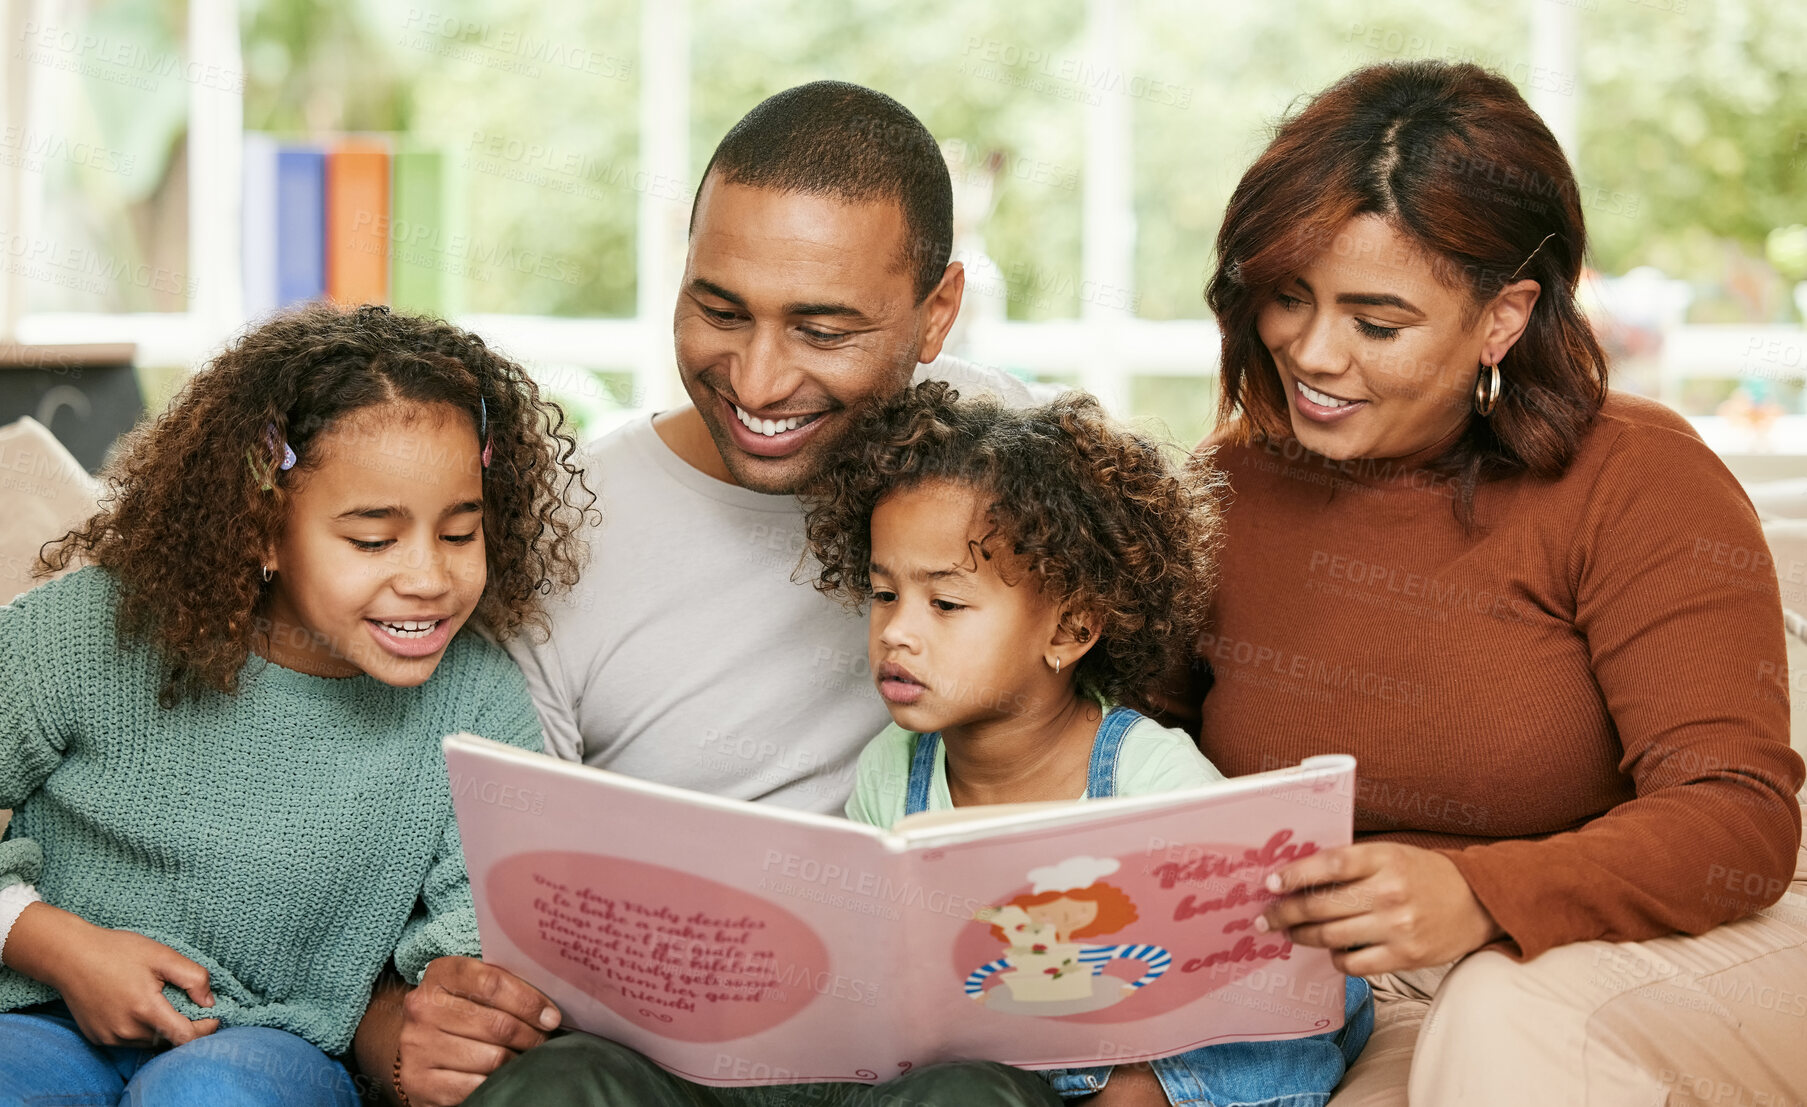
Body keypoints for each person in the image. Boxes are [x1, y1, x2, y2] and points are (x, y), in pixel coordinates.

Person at [362, 83, 1057, 1107]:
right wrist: (400, 1032)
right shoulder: (554, 530)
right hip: (643, 1062)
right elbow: (438, 885)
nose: (760, 381)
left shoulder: (1027, 466)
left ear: (936, 312)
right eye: (718, 311)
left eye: (822, 330)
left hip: (927, 1056)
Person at [1181, 60, 1807, 1104]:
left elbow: (1735, 817)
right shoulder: (1225, 491)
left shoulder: (1635, 477)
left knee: (1505, 1016)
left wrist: (1478, 891)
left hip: (1669, 950)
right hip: (1363, 995)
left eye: (1376, 323)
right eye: (1287, 298)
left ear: (1502, 317)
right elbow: (1125, 767)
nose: (1312, 351)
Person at [0, 303, 592, 1106]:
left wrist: (464, 1002)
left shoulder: (481, 702)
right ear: (265, 529)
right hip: (42, 1012)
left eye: (459, 532)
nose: (426, 575)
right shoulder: (88, 630)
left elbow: (480, 932)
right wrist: (60, 948)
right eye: (373, 540)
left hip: (270, 1048)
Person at [815, 382, 1372, 1107]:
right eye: (883, 593)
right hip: (993, 1055)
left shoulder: (1147, 767)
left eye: (945, 602)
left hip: (1166, 1043)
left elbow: (1241, 967)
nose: (896, 630)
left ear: (1070, 631)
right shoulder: (889, 770)